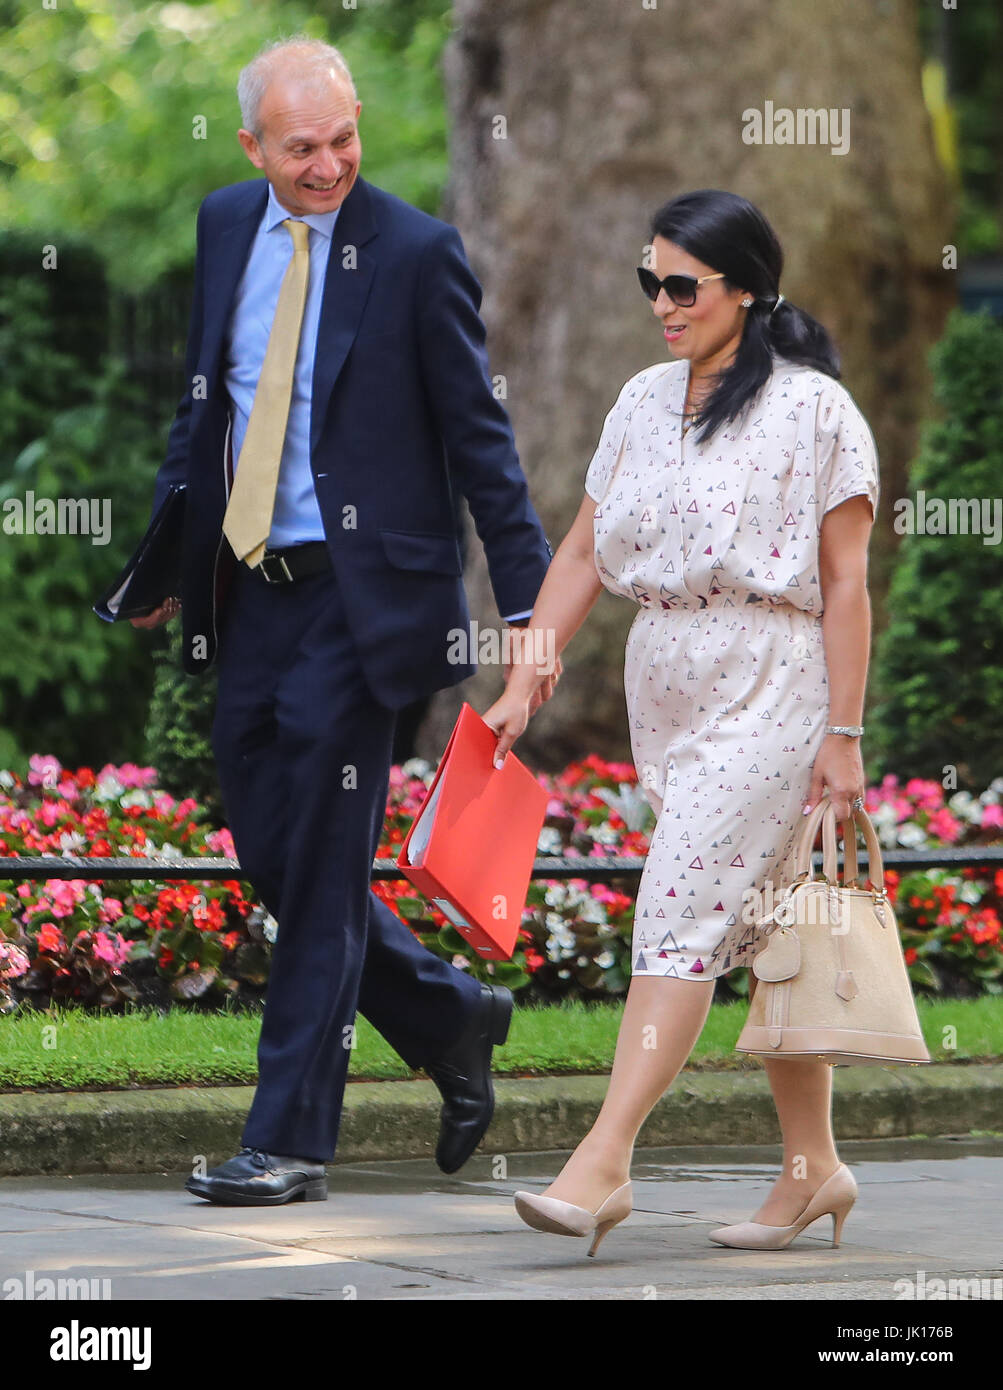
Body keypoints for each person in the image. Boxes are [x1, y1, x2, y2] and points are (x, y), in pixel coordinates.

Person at [130, 35, 561, 1205]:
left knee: (321, 870)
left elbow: (483, 442)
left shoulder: (417, 253)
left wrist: (527, 610)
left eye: (344, 139)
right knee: (271, 852)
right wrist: (168, 557)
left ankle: (289, 1142)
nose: (328, 166)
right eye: (302, 147)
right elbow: (206, 406)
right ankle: (450, 1013)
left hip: (366, 608)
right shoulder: (228, 227)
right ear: (254, 147)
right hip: (246, 591)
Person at [483, 189, 878, 1256]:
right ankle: (812, 1170)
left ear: (745, 289)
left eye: (681, 284)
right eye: (648, 280)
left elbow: (845, 585)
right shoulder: (641, 401)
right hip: (671, 688)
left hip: (777, 681)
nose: (660, 302)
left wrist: (842, 734)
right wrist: (525, 681)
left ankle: (602, 1160)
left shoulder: (813, 411)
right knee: (762, 928)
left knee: (679, 906)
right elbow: (577, 557)